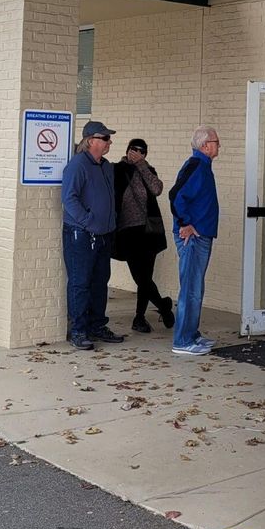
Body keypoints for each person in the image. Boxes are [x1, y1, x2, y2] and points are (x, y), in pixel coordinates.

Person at [61, 120, 123, 351]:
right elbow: (69, 198)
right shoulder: (78, 165)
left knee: (100, 282)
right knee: (80, 282)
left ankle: (97, 325)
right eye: (105, 138)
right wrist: (88, 221)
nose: (109, 142)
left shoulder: (106, 166)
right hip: (81, 234)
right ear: (91, 141)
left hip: (104, 234)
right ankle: (78, 330)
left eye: (109, 138)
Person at [168, 125, 221, 356]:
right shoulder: (196, 165)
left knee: (196, 287)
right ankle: (183, 341)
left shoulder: (203, 166)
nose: (219, 145)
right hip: (193, 238)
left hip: (202, 235)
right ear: (205, 145)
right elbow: (175, 195)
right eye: (216, 142)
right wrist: (184, 224)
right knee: (190, 288)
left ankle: (192, 334)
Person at [112, 138, 173, 334]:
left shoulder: (148, 170)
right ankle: (163, 306)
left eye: (140, 151)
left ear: (145, 154)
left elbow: (157, 189)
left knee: (145, 276)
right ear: (127, 149)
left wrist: (142, 165)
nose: (135, 153)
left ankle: (139, 318)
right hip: (127, 231)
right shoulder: (117, 170)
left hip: (149, 231)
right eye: (132, 149)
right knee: (140, 277)